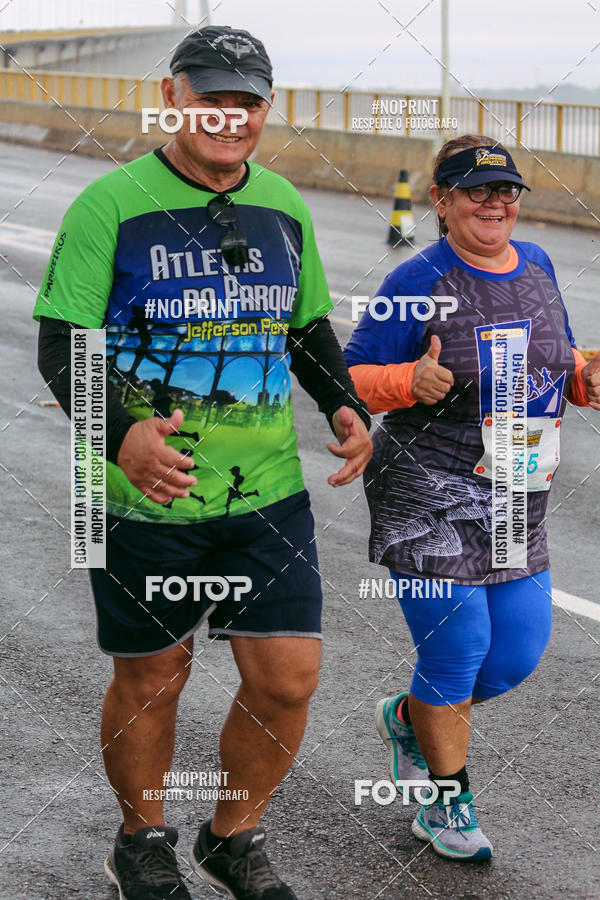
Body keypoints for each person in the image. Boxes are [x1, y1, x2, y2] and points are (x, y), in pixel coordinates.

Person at [34, 26, 371, 900]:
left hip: (267, 497)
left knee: (288, 679)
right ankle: (142, 839)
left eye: (248, 99)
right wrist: (121, 436)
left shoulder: (285, 207)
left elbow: (305, 329)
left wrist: (345, 404)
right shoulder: (110, 205)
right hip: (141, 498)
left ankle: (232, 837)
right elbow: (60, 346)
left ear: (266, 107)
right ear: (173, 96)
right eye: (212, 95)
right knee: (153, 676)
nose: (231, 115)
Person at [344, 135, 600, 861]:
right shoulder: (418, 279)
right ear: (442, 201)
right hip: (427, 492)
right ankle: (445, 805)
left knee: (514, 656)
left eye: (506, 191)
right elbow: (351, 373)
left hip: (519, 490)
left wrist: (584, 380)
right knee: (458, 653)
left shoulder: (540, 264)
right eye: (476, 191)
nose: (495, 203)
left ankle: (409, 716)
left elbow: (560, 357)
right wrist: (403, 383)